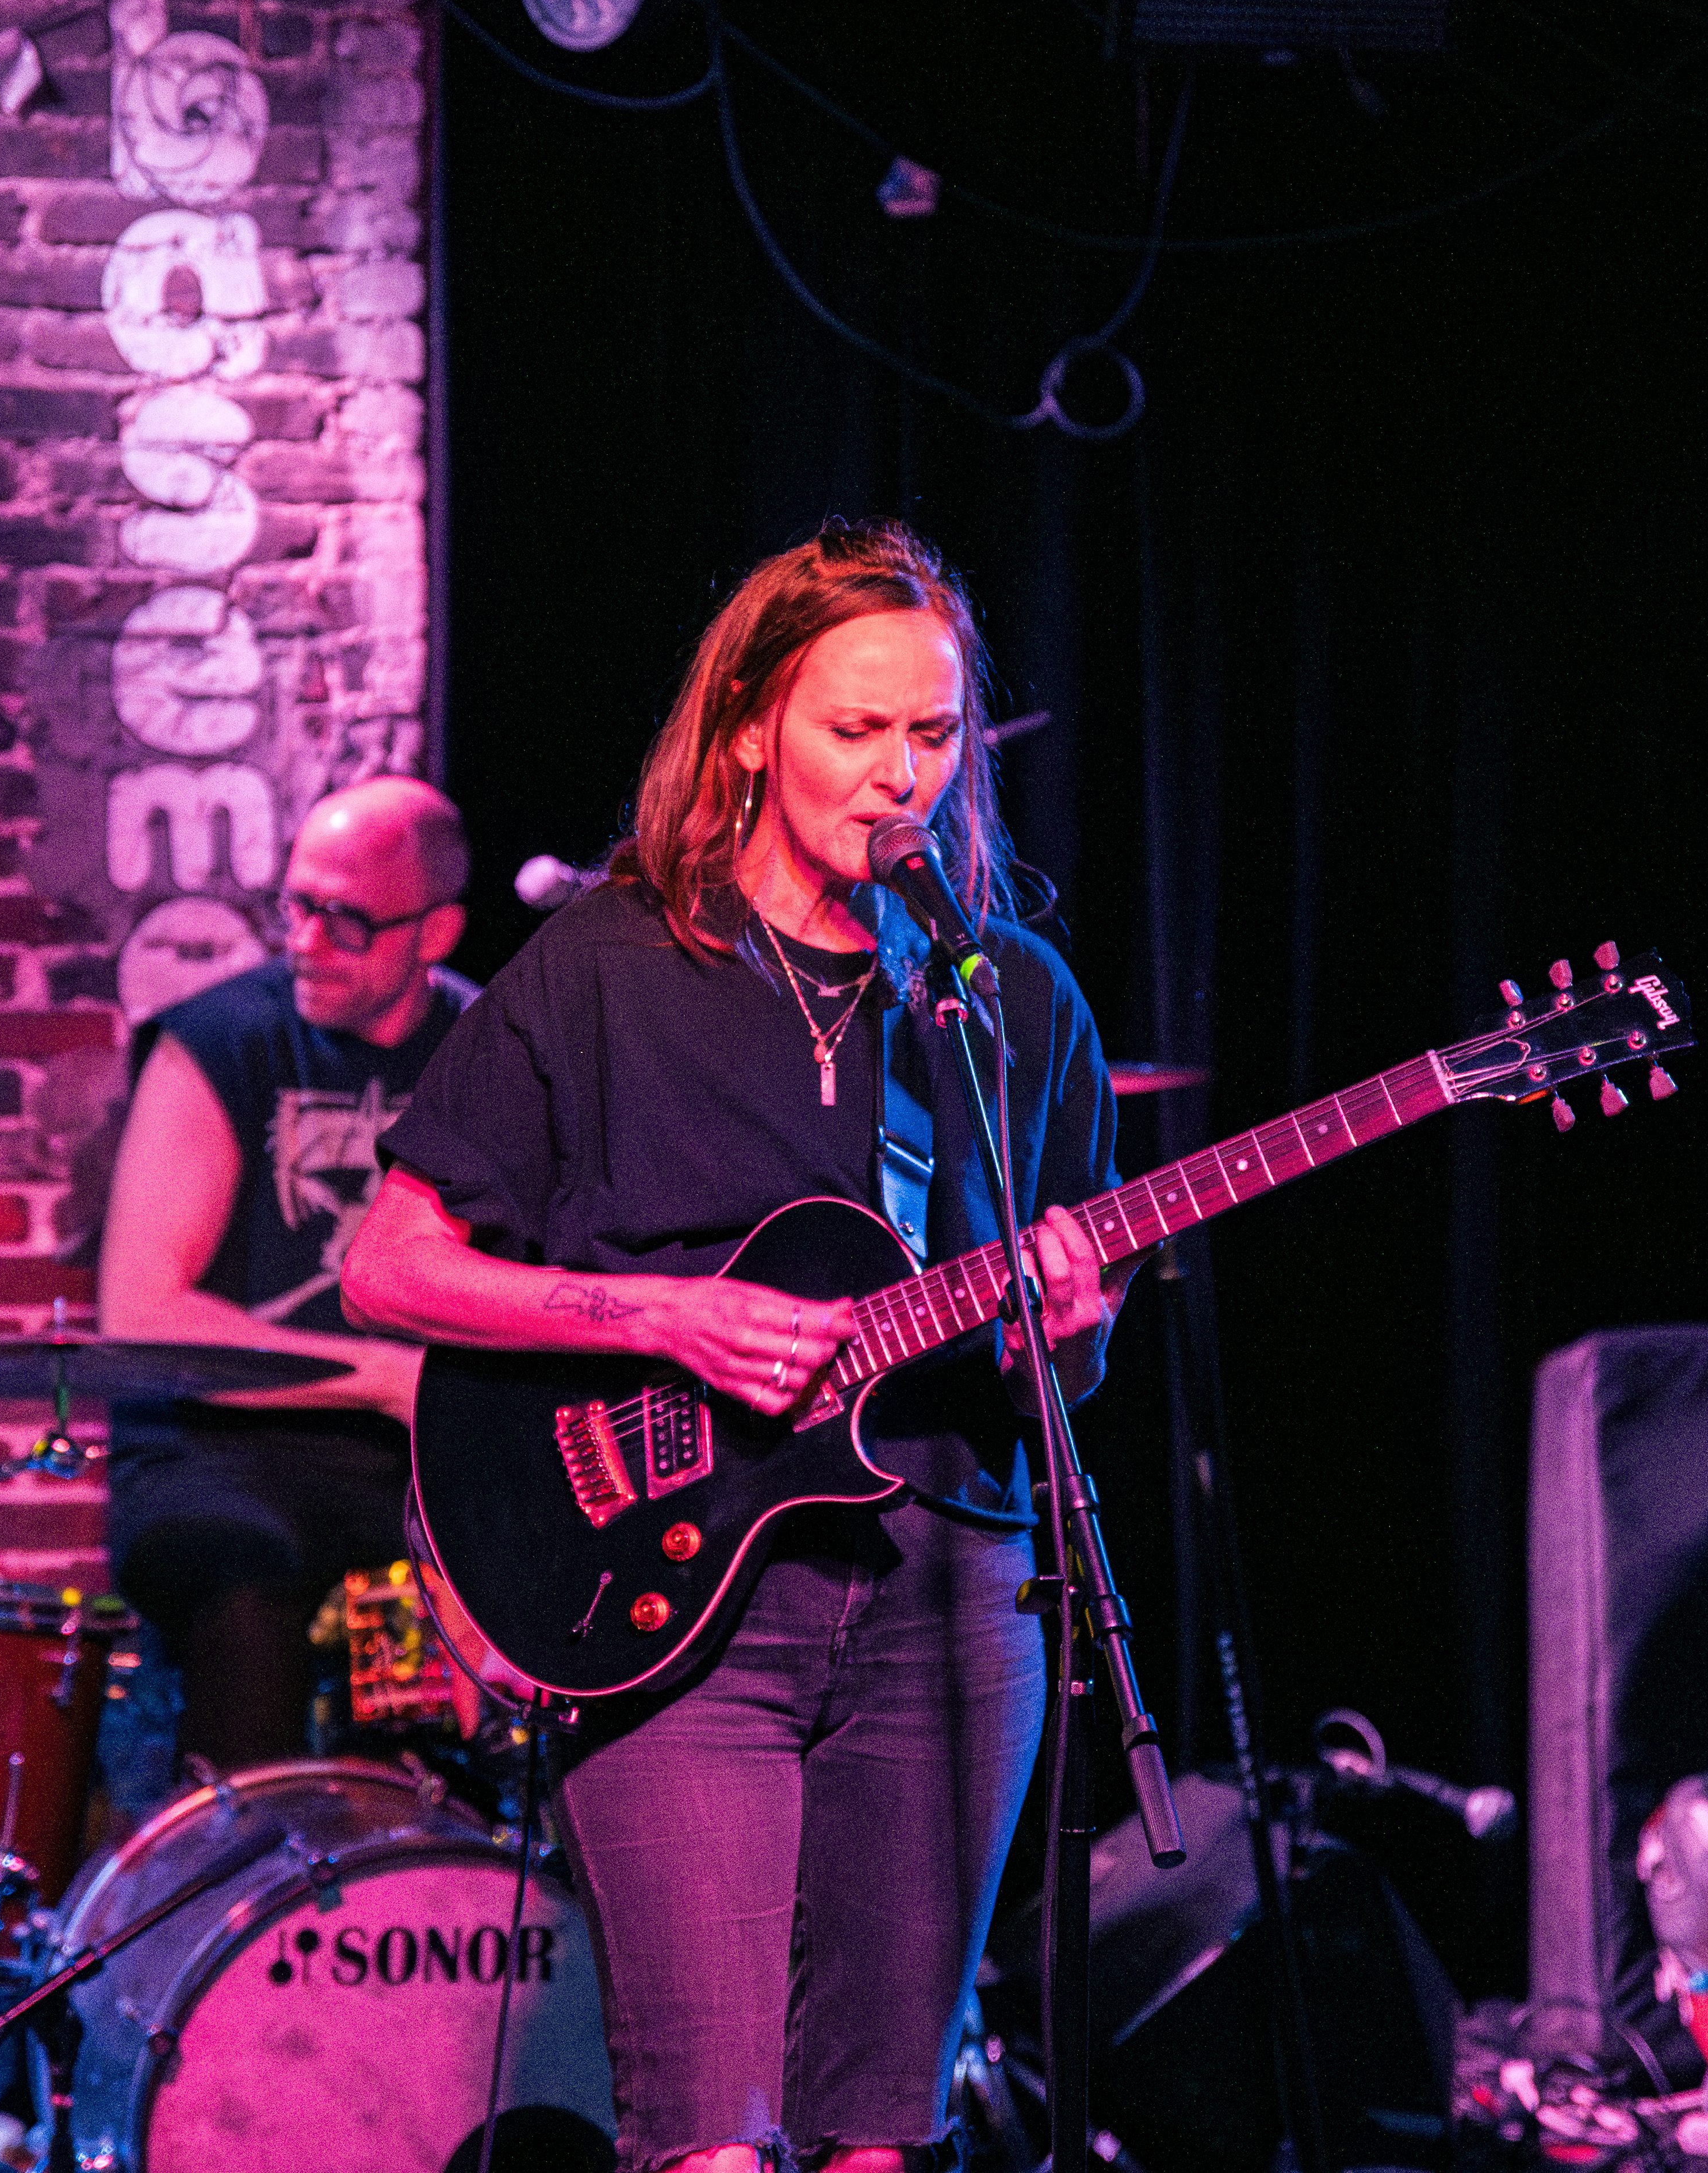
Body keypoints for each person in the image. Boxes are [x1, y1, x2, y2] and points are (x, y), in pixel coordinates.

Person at [342, 520, 1139, 2173]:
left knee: (876, 2137)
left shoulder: (1010, 1001)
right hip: (678, 1601)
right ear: (756, 723)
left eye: (930, 736)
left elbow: (1056, 1375)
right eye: (855, 732)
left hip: (951, 1593)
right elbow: (391, 1262)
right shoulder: (611, 964)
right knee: (709, 2139)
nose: (895, 778)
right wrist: (663, 1313)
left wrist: (1071, 1326)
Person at [99, 775, 477, 1770]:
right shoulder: (219, 1040)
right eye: (297, 906)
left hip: (402, 1474)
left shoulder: (487, 1056)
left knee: (432, 1665)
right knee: (247, 1591)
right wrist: (385, 1377)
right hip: (213, 1454)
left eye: (345, 920)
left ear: (434, 936)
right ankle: (236, 1889)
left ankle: (417, 1892)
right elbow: (145, 1313)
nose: (304, 939)